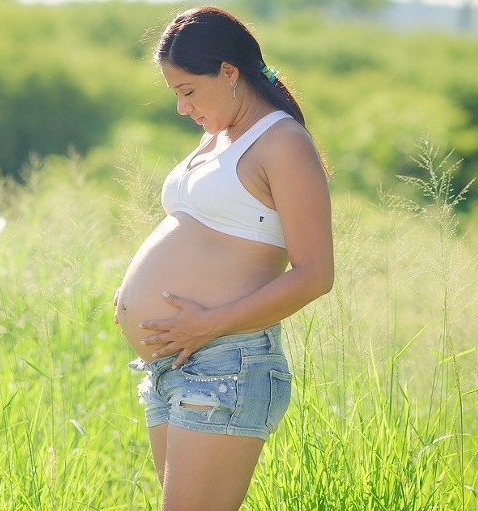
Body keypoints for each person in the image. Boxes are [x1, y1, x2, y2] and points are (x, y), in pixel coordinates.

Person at [113, 6, 334, 511]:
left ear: (229, 73)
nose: (181, 108)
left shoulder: (282, 143)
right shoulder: (216, 139)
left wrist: (209, 323)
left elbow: (316, 274)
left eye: (188, 91)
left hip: (224, 363)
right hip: (175, 364)